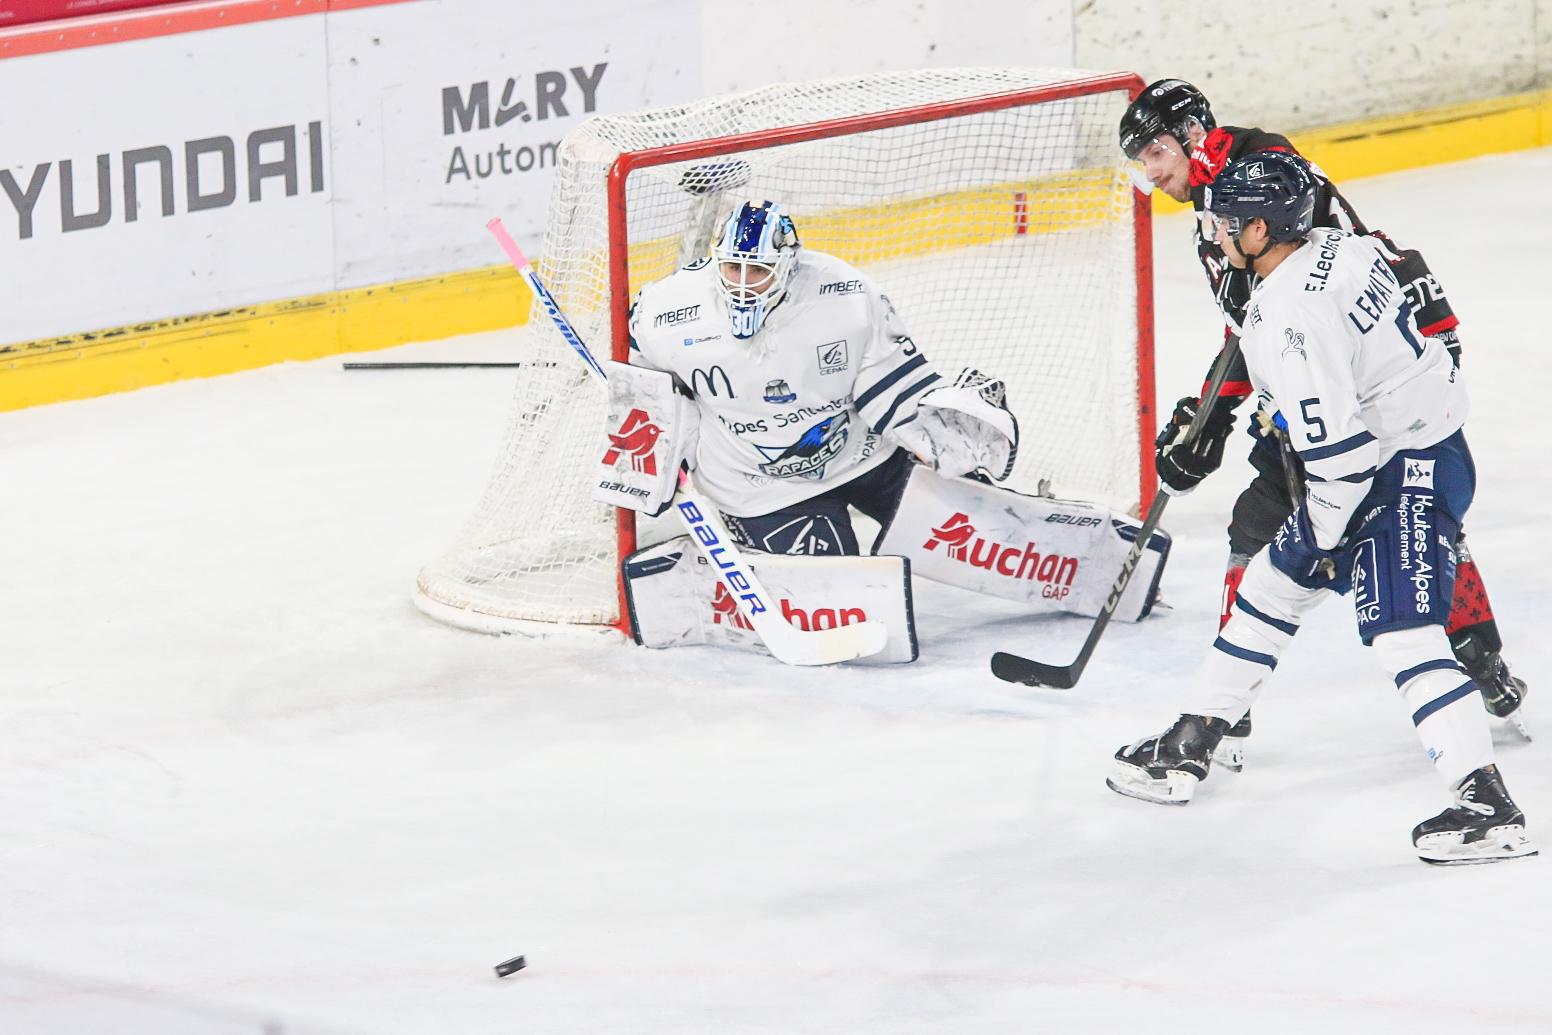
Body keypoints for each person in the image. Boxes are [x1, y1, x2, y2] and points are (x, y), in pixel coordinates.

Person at [1107, 150, 1534, 865]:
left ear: (1263, 230)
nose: (1218, 231)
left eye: (1230, 221)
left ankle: (1488, 805)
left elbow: (1341, 459)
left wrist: (1320, 536)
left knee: (1402, 632)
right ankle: (1191, 740)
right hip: (1418, 442)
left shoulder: (1291, 316)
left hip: (1398, 469)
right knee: (1269, 587)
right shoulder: (1341, 245)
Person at [594, 200, 1173, 632]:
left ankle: (1091, 567)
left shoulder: (846, 296)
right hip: (758, 486)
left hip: (864, 454)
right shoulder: (666, 311)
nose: (744, 286)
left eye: (759, 272)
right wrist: (660, 452)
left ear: (788, 265)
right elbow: (646, 391)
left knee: (980, 530)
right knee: (849, 611)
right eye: (733, 270)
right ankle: (704, 577)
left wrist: (938, 438)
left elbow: (891, 387)